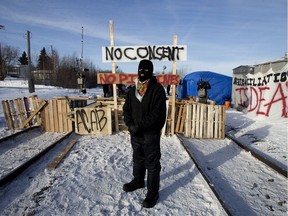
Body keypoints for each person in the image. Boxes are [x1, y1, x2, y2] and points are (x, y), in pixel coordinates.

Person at [123, 59, 167, 208]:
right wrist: (129, 124)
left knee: (152, 163)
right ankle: (138, 180)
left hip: (150, 133)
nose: (142, 72)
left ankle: (153, 192)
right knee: (138, 158)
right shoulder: (133, 90)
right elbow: (126, 109)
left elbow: (158, 114)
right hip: (135, 133)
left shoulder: (157, 90)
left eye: (146, 70)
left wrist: (140, 126)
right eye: (140, 69)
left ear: (151, 71)